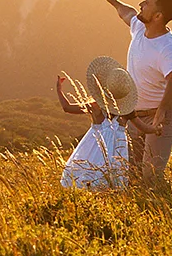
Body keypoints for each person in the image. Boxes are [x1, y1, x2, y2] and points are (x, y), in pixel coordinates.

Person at [98, 0, 172, 191]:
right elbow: (127, 13)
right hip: (134, 117)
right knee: (132, 174)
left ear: (157, 16)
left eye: (146, 3)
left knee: (150, 176)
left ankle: (170, 209)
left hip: (159, 118)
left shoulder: (167, 47)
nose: (141, 4)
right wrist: (114, 1)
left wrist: (162, 110)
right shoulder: (139, 28)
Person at [56, 56, 136, 189]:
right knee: (114, 184)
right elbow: (144, 128)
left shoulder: (96, 107)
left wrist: (59, 90)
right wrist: (156, 128)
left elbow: (67, 107)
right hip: (117, 155)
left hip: (92, 150)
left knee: (87, 179)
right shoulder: (126, 112)